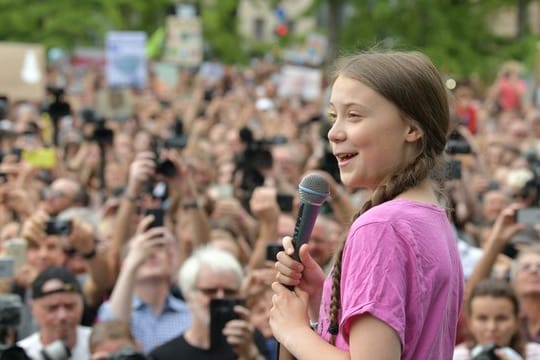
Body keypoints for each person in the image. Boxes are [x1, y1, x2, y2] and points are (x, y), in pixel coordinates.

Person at [270, 50, 464, 359]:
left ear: (412, 129)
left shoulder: (381, 226)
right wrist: (326, 297)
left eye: (354, 115)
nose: (334, 132)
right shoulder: (433, 218)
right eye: (334, 116)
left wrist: (292, 331)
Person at [148, 246, 269, 360]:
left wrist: (251, 354)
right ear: (189, 295)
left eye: (229, 292)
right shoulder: (164, 356)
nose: (220, 297)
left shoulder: (251, 340)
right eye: (210, 291)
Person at [453, 278, 540, 359]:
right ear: (470, 322)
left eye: (501, 318)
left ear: (517, 321)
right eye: (482, 318)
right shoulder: (456, 356)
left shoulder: (535, 354)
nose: (492, 327)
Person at [18, 266, 91, 359]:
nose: (62, 316)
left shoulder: (100, 345)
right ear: (32, 308)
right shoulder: (22, 354)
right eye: (52, 308)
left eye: (70, 306)